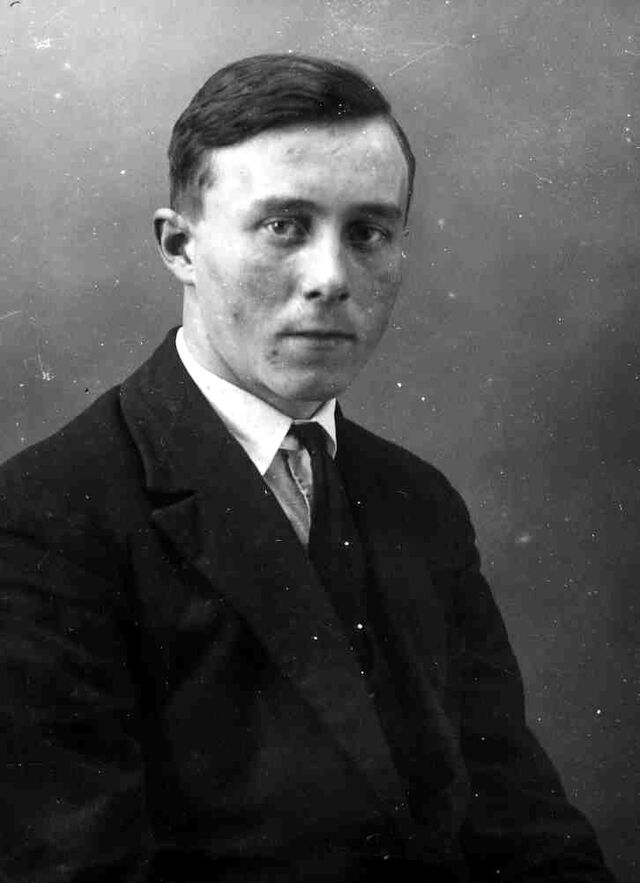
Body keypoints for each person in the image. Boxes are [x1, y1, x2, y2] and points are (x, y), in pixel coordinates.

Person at [0, 53, 615, 883]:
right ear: (180, 246)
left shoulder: (418, 500)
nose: (331, 278)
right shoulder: (43, 521)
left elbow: (521, 823)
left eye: (368, 232)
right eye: (284, 226)